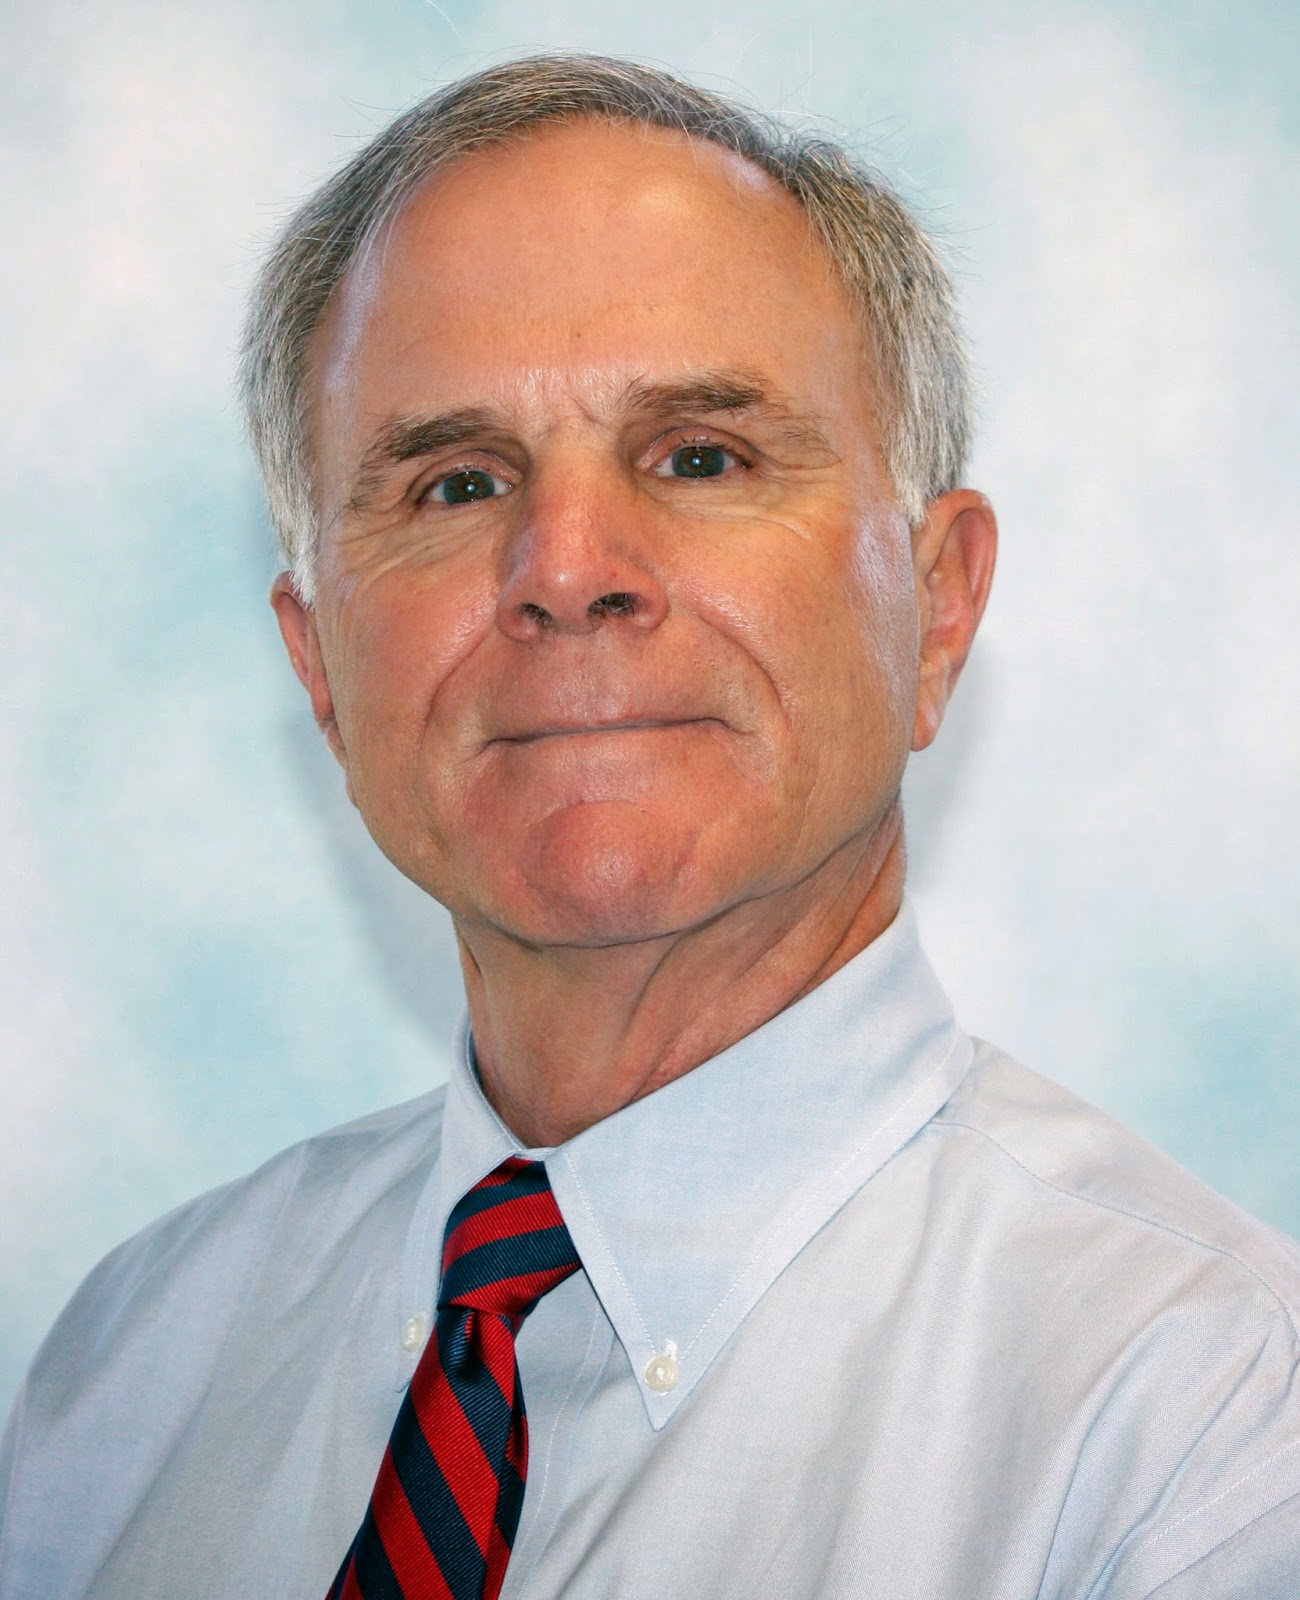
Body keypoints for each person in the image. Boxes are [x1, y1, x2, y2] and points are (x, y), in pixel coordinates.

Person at [1, 50, 1298, 1600]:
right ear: (321, 670)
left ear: (938, 609)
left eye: (700, 457)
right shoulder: (128, 1375)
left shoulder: (1205, 1424)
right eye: (456, 483)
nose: (566, 569)